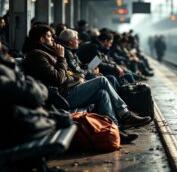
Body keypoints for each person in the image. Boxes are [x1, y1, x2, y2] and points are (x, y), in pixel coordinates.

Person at [23, 25, 152, 143]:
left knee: (102, 93)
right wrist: (61, 58)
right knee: (103, 80)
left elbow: (66, 73)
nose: (53, 39)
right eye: (49, 37)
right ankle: (125, 114)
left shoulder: (47, 52)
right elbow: (57, 79)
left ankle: (115, 129)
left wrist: (77, 77)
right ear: (41, 39)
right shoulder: (38, 56)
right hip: (61, 97)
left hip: (68, 89)